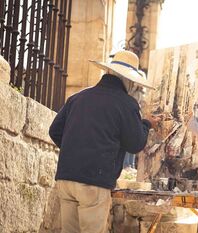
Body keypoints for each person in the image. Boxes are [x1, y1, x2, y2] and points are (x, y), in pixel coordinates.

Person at [49, 50, 160, 233]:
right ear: (129, 80)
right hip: (93, 182)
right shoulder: (126, 104)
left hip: (66, 178)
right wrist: (146, 124)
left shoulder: (78, 97)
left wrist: (77, 149)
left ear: (108, 73)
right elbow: (135, 143)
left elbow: (54, 131)